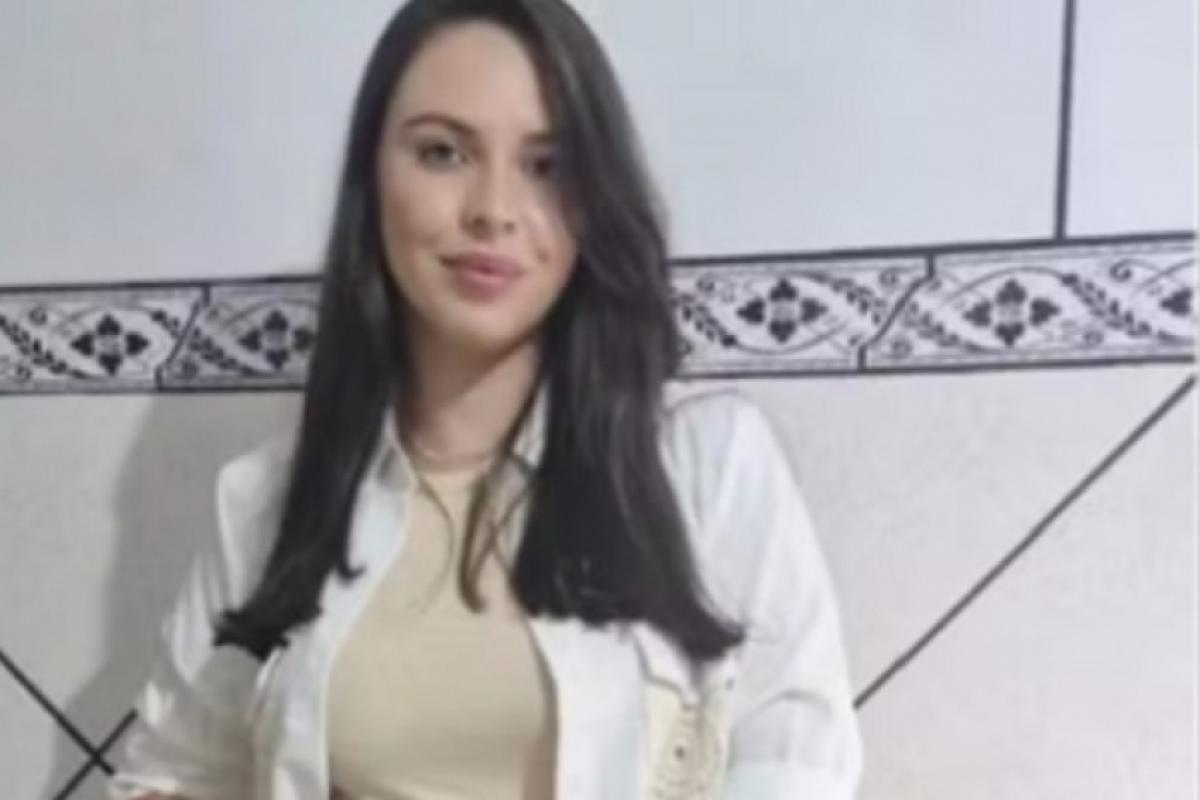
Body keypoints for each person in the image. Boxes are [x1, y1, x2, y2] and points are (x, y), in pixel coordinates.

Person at [109, 0, 862, 797]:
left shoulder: (706, 469)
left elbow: (798, 766)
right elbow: (169, 773)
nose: (493, 211)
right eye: (443, 152)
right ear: (373, 177)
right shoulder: (269, 504)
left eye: (547, 165)